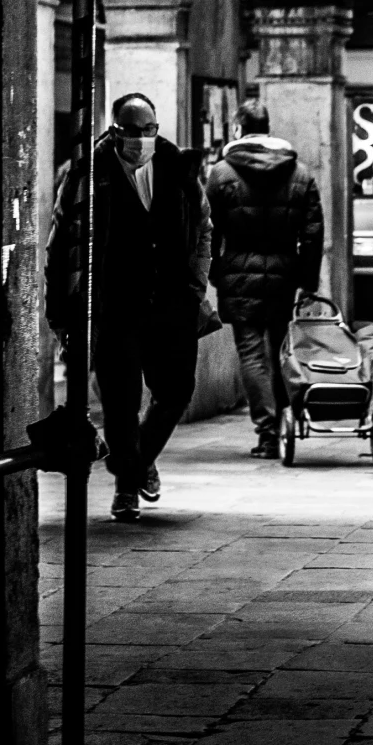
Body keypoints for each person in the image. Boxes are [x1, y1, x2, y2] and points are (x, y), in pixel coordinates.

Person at [46, 92, 215, 522]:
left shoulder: (178, 168)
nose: (143, 139)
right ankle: (127, 488)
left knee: (176, 390)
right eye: (134, 131)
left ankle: (134, 461)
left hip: (173, 302)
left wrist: (196, 283)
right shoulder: (87, 174)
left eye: (150, 130)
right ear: (116, 130)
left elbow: (203, 225)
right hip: (115, 305)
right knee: (121, 401)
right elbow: (60, 241)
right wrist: (62, 313)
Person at [204, 102, 325, 458]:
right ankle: (287, 418)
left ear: (238, 129)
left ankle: (270, 433)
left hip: (238, 272)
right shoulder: (299, 173)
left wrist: (214, 271)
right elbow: (313, 232)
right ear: (268, 129)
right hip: (284, 273)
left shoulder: (222, 173)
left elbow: (208, 230)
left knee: (252, 354)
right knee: (278, 351)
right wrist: (308, 279)